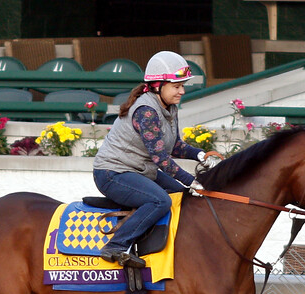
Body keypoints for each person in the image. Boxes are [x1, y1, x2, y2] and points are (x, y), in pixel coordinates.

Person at [93, 50, 222, 269]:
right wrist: (191, 181)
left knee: (181, 197)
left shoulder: (169, 107)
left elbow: (174, 146)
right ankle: (116, 246)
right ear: (157, 85)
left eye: (183, 85)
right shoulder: (146, 111)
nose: (182, 91)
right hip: (112, 173)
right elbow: (162, 159)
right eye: (176, 86)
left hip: (140, 170)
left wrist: (201, 155)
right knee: (160, 201)